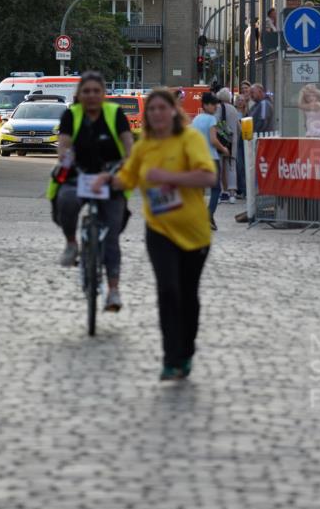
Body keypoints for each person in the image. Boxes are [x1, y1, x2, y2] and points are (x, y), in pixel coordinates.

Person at [92, 88, 217, 381]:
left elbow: (209, 176)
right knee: (167, 291)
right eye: (152, 109)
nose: (157, 113)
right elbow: (128, 178)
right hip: (159, 230)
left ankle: (186, 352)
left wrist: (169, 177)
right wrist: (106, 180)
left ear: (174, 111)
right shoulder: (144, 147)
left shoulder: (189, 139)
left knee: (188, 295)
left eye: (163, 108)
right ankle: (170, 359)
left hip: (194, 231)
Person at [51, 70, 134, 311]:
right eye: (86, 91)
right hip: (80, 173)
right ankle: (71, 243)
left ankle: (113, 291)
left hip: (111, 176)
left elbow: (129, 146)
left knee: (111, 238)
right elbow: (64, 145)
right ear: (79, 94)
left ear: (104, 94)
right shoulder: (71, 115)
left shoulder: (115, 114)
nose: (91, 95)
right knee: (65, 199)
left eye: (96, 91)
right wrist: (66, 158)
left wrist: (122, 168)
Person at [191, 93, 229, 230]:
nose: (215, 107)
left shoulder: (195, 120)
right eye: (213, 105)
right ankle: (209, 214)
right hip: (211, 158)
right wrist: (224, 149)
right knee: (216, 189)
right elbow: (213, 140)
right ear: (206, 105)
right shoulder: (211, 119)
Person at [216, 87, 241, 203]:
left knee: (219, 166)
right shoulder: (234, 110)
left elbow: (216, 123)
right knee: (231, 166)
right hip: (233, 140)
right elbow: (238, 127)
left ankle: (221, 192)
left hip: (221, 140)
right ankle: (232, 194)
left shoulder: (218, 108)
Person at [234, 93, 248, 198]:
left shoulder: (247, 113)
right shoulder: (233, 112)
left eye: (242, 100)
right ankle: (239, 188)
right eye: (238, 99)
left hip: (245, 140)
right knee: (238, 165)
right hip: (236, 140)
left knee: (244, 165)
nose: (240, 101)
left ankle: (244, 189)